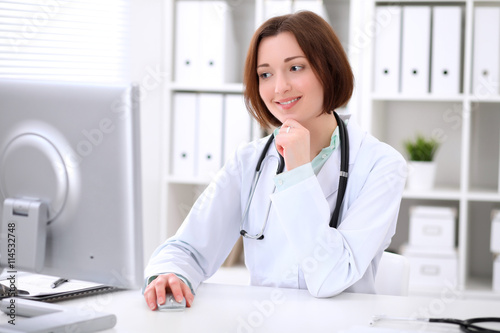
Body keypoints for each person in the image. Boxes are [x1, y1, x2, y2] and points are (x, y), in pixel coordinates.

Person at [143, 11, 406, 311]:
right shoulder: (249, 161)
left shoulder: (381, 165)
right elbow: (188, 248)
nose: (279, 88)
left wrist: (297, 171)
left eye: (295, 67)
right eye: (265, 74)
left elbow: (331, 277)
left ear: (329, 70)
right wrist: (170, 274)